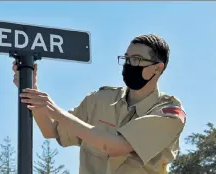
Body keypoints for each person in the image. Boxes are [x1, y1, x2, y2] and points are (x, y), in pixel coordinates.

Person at [12, 34, 186, 174]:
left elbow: (115, 146)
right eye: (126, 58)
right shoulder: (100, 100)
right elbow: (51, 130)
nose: (128, 64)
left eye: (136, 59)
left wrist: (55, 111)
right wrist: (32, 91)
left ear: (158, 68)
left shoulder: (169, 113)